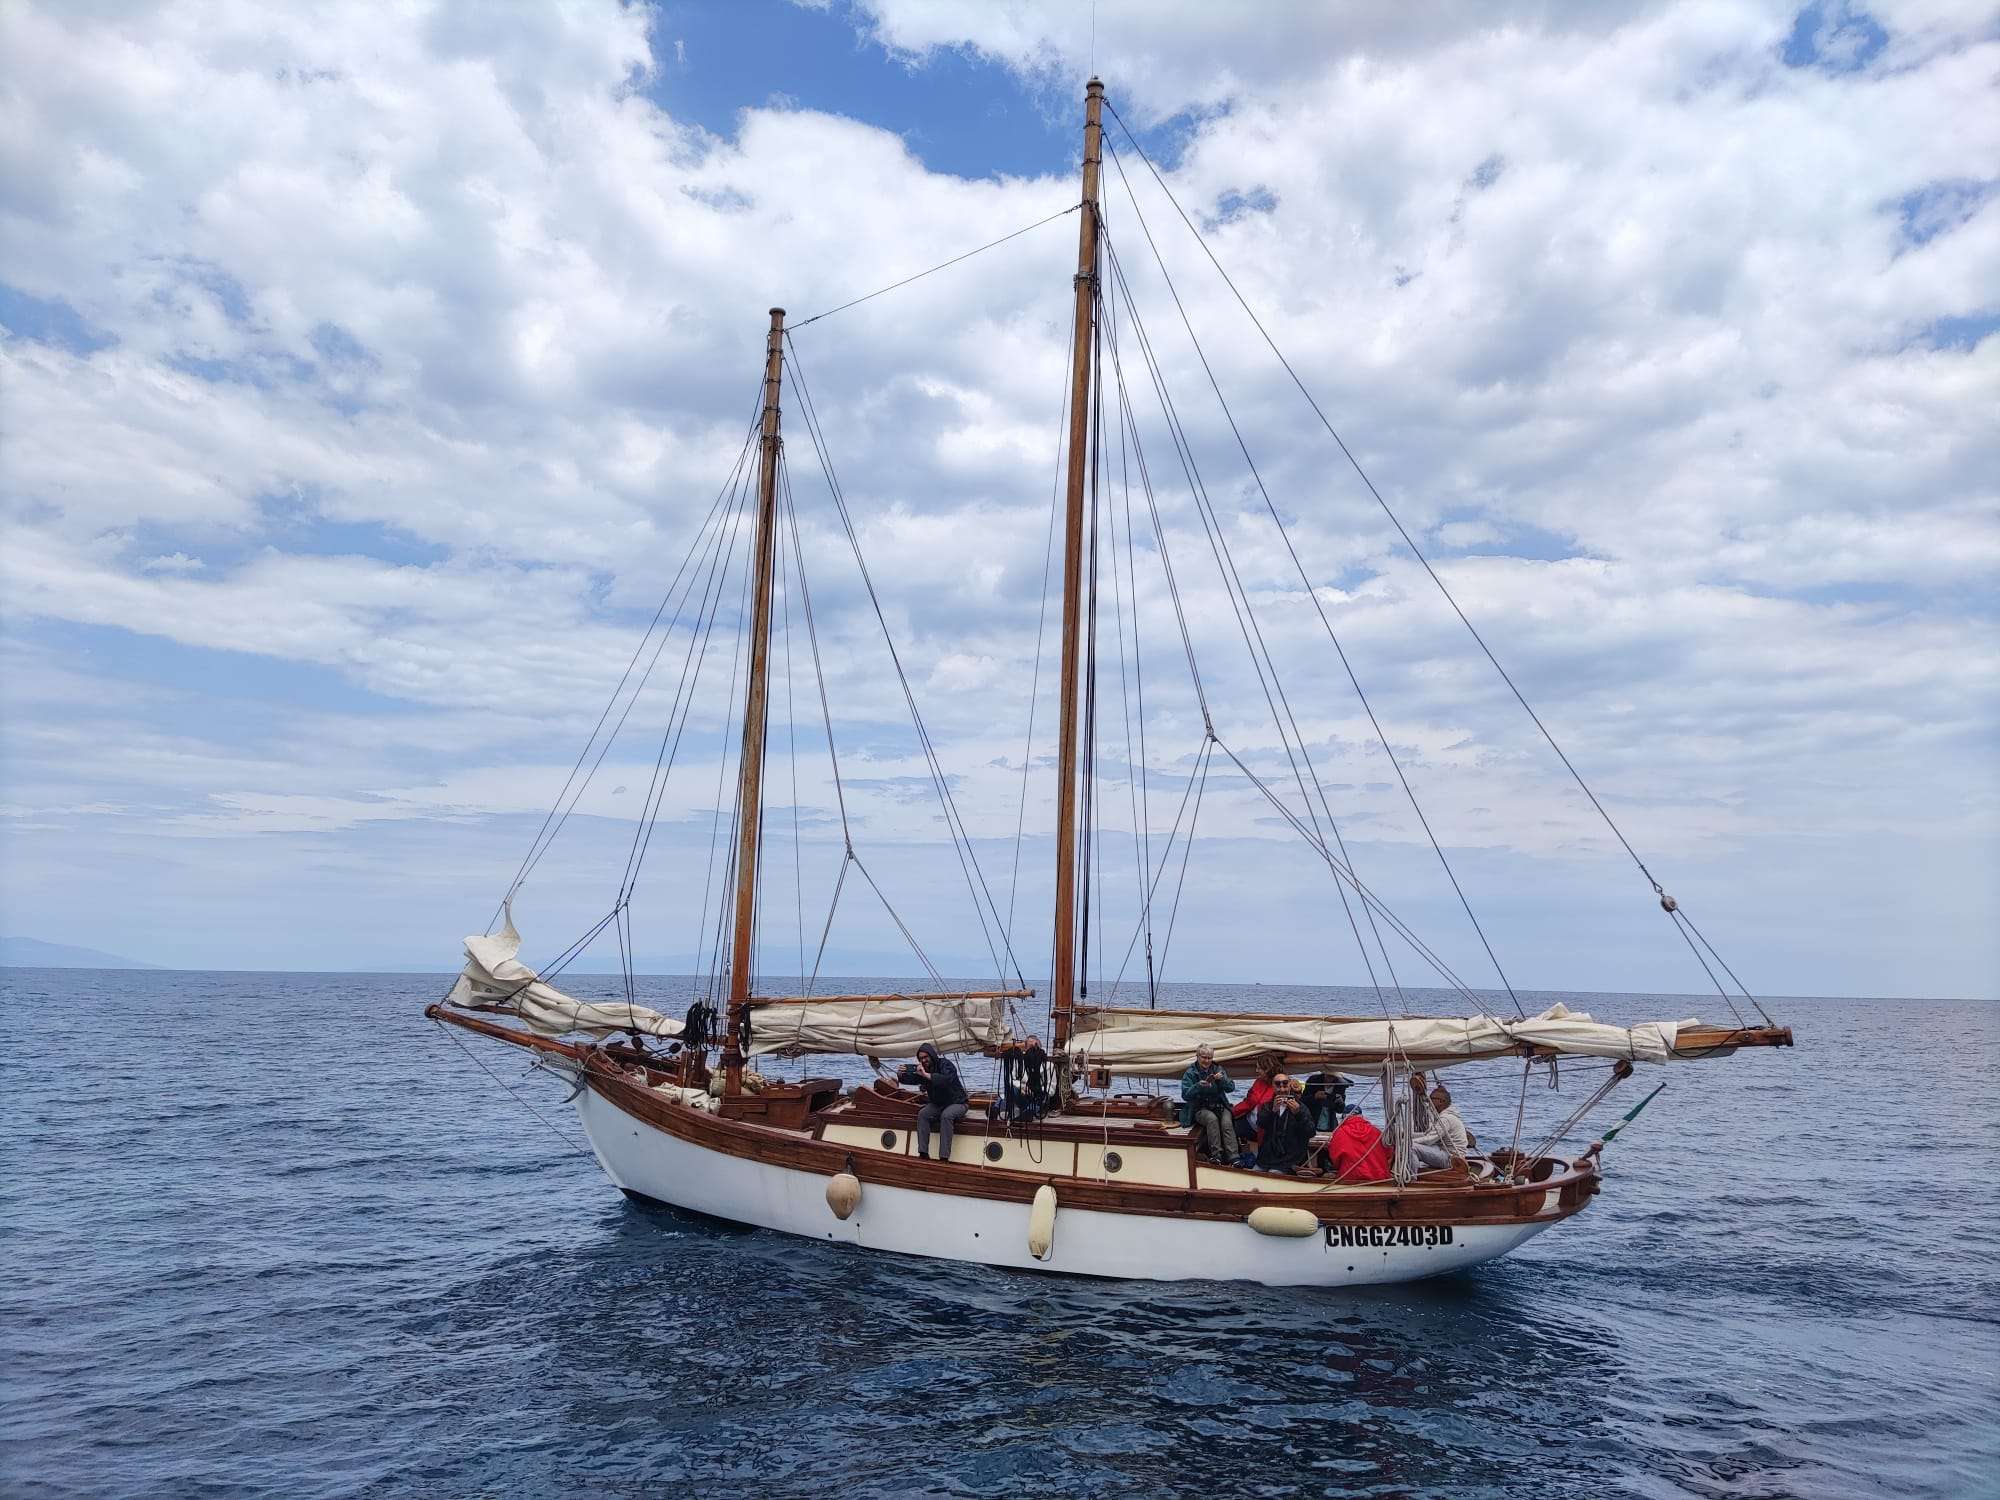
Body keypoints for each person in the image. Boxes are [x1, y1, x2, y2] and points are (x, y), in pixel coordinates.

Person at [901, 1042, 968, 1162]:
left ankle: (944, 1157)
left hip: (958, 1103)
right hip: (938, 1104)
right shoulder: (923, 1070)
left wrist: (926, 1075)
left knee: (946, 1115)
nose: (924, 1060)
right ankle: (923, 1153)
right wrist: (901, 1075)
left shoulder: (946, 1064)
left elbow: (946, 1081)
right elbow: (912, 1080)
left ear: (932, 1055)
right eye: (921, 1058)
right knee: (923, 1114)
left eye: (926, 1057)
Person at [1180, 1044, 1238, 1162]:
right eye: (1204, 1057)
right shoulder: (1191, 1073)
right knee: (1212, 1119)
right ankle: (1216, 1155)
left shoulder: (1218, 1069)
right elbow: (1185, 1095)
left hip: (1220, 1105)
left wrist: (1222, 1080)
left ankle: (1234, 1157)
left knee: (1227, 1123)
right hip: (1200, 1108)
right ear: (1197, 1056)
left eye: (1209, 1058)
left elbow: (1231, 1088)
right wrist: (1198, 1086)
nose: (1207, 1061)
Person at [1255, 1080, 1315, 1173]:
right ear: (1273, 1087)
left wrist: (1298, 1114)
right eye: (1278, 1085)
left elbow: (1311, 1132)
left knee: (1274, 1173)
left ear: (1289, 1087)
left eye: (1285, 1085)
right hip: (1267, 1157)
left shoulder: (1301, 1107)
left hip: (1289, 1159)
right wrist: (1272, 1111)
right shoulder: (1267, 1106)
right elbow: (1260, 1124)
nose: (1282, 1089)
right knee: (1255, 1173)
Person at [1412, 1084, 1470, 1171]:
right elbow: (1427, 1134)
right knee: (1410, 1144)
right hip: (1445, 1152)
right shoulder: (1444, 1116)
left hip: (1451, 1159)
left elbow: (1429, 1140)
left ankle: (1411, 1178)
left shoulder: (1446, 1119)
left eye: (1432, 1099)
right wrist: (1406, 1135)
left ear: (1441, 1101)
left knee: (1411, 1147)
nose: (1429, 1102)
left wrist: (1407, 1142)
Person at [1231, 1052, 1284, 1146]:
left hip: (1263, 1130)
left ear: (1267, 1069)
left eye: (1259, 1068)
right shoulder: (1259, 1081)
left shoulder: (1281, 1087)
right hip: (1250, 1120)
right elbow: (1248, 1102)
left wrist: (1231, 1112)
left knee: (1228, 1129)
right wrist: (1230, 1111)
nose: (1256, 1070)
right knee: (1225, 1124)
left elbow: (1251, 1102)